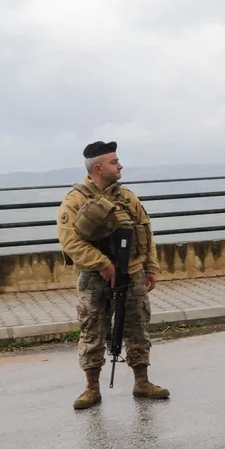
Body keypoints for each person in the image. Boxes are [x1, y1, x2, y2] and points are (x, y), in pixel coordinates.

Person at [57, 141, 169, 410]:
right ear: (98, 167)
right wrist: (103, 264)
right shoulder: (76, 201)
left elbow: (146, 232)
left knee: (137, 328)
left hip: (132, 273)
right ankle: (91, 388)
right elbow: (70, 242)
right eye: (114, 162)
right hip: (95, 278)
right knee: (92, 330)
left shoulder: (128, 198)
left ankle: (142, 381)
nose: (120, 166)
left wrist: (150, 268)